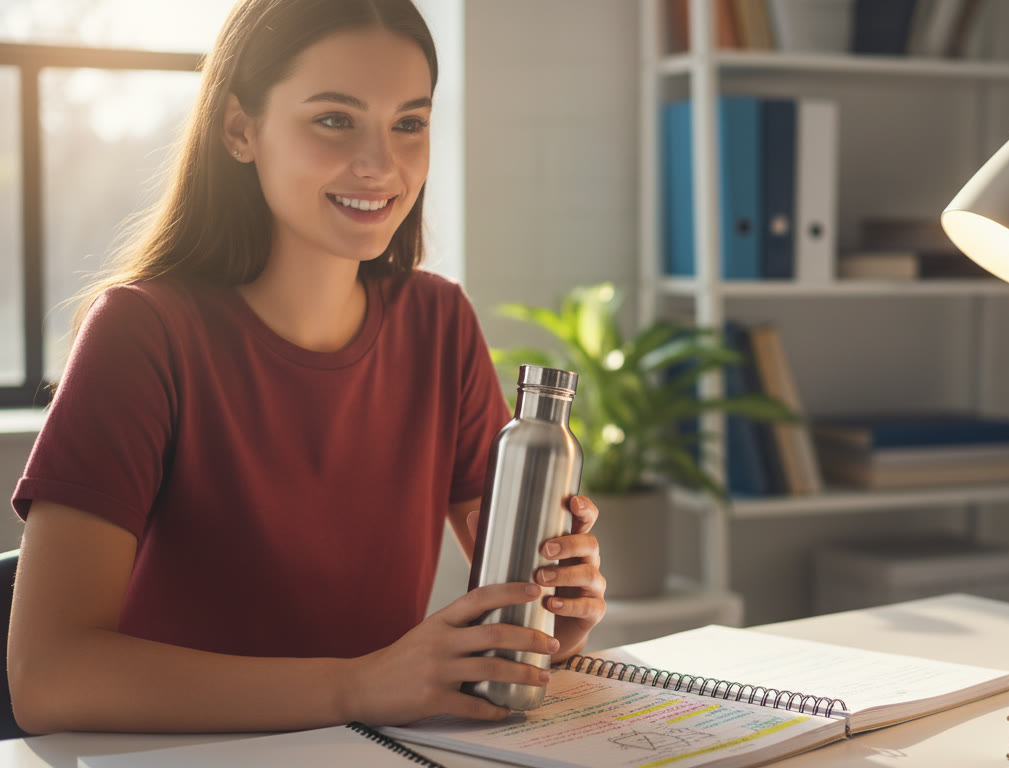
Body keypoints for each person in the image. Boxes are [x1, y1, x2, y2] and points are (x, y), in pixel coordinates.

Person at [7, 0, 606, 735]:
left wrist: (550, 618)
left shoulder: (440, 323)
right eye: (334, 120)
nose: (381, 164)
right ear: (239, 128)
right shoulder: (142, 335)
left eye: (409, 123)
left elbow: (512, 603)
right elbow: (48, 678)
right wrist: (358, 687)